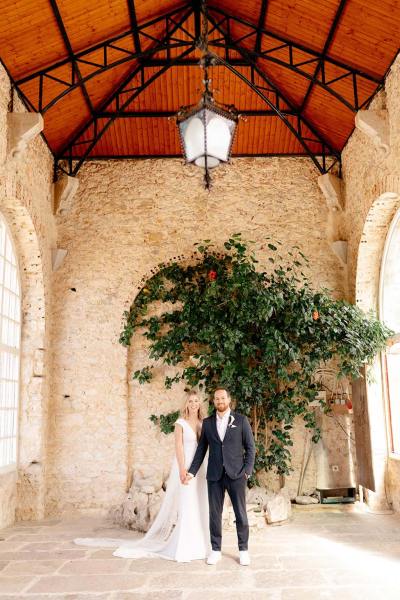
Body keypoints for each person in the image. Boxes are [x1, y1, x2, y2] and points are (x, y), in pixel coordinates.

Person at [74, 390, 210, 562]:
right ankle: (185, 546)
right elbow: (178, 448)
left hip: (201, 468)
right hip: (186, 467)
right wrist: (183, 469)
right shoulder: (180, 423)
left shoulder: (203, 423)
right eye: (190, 401)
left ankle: (202, 545)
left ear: (200, 403)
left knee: (200, 503)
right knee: (188, 504)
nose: (193, 404)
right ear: (186, 404)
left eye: (196, 401)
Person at [184, 387, 256, 566]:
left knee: (240, 513)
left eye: (222, 398)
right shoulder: (207, 423)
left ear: (228, 399)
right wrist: (191, 472)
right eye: (216, 399)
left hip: (237, 475)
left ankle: (243, 550)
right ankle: (215, 550)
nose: (220, 401)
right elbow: (201, 451)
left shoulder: (241, 420)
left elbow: (251, 448)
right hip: (215, 476)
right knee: (215, 514)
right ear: (213, 401)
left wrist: (247, 471)